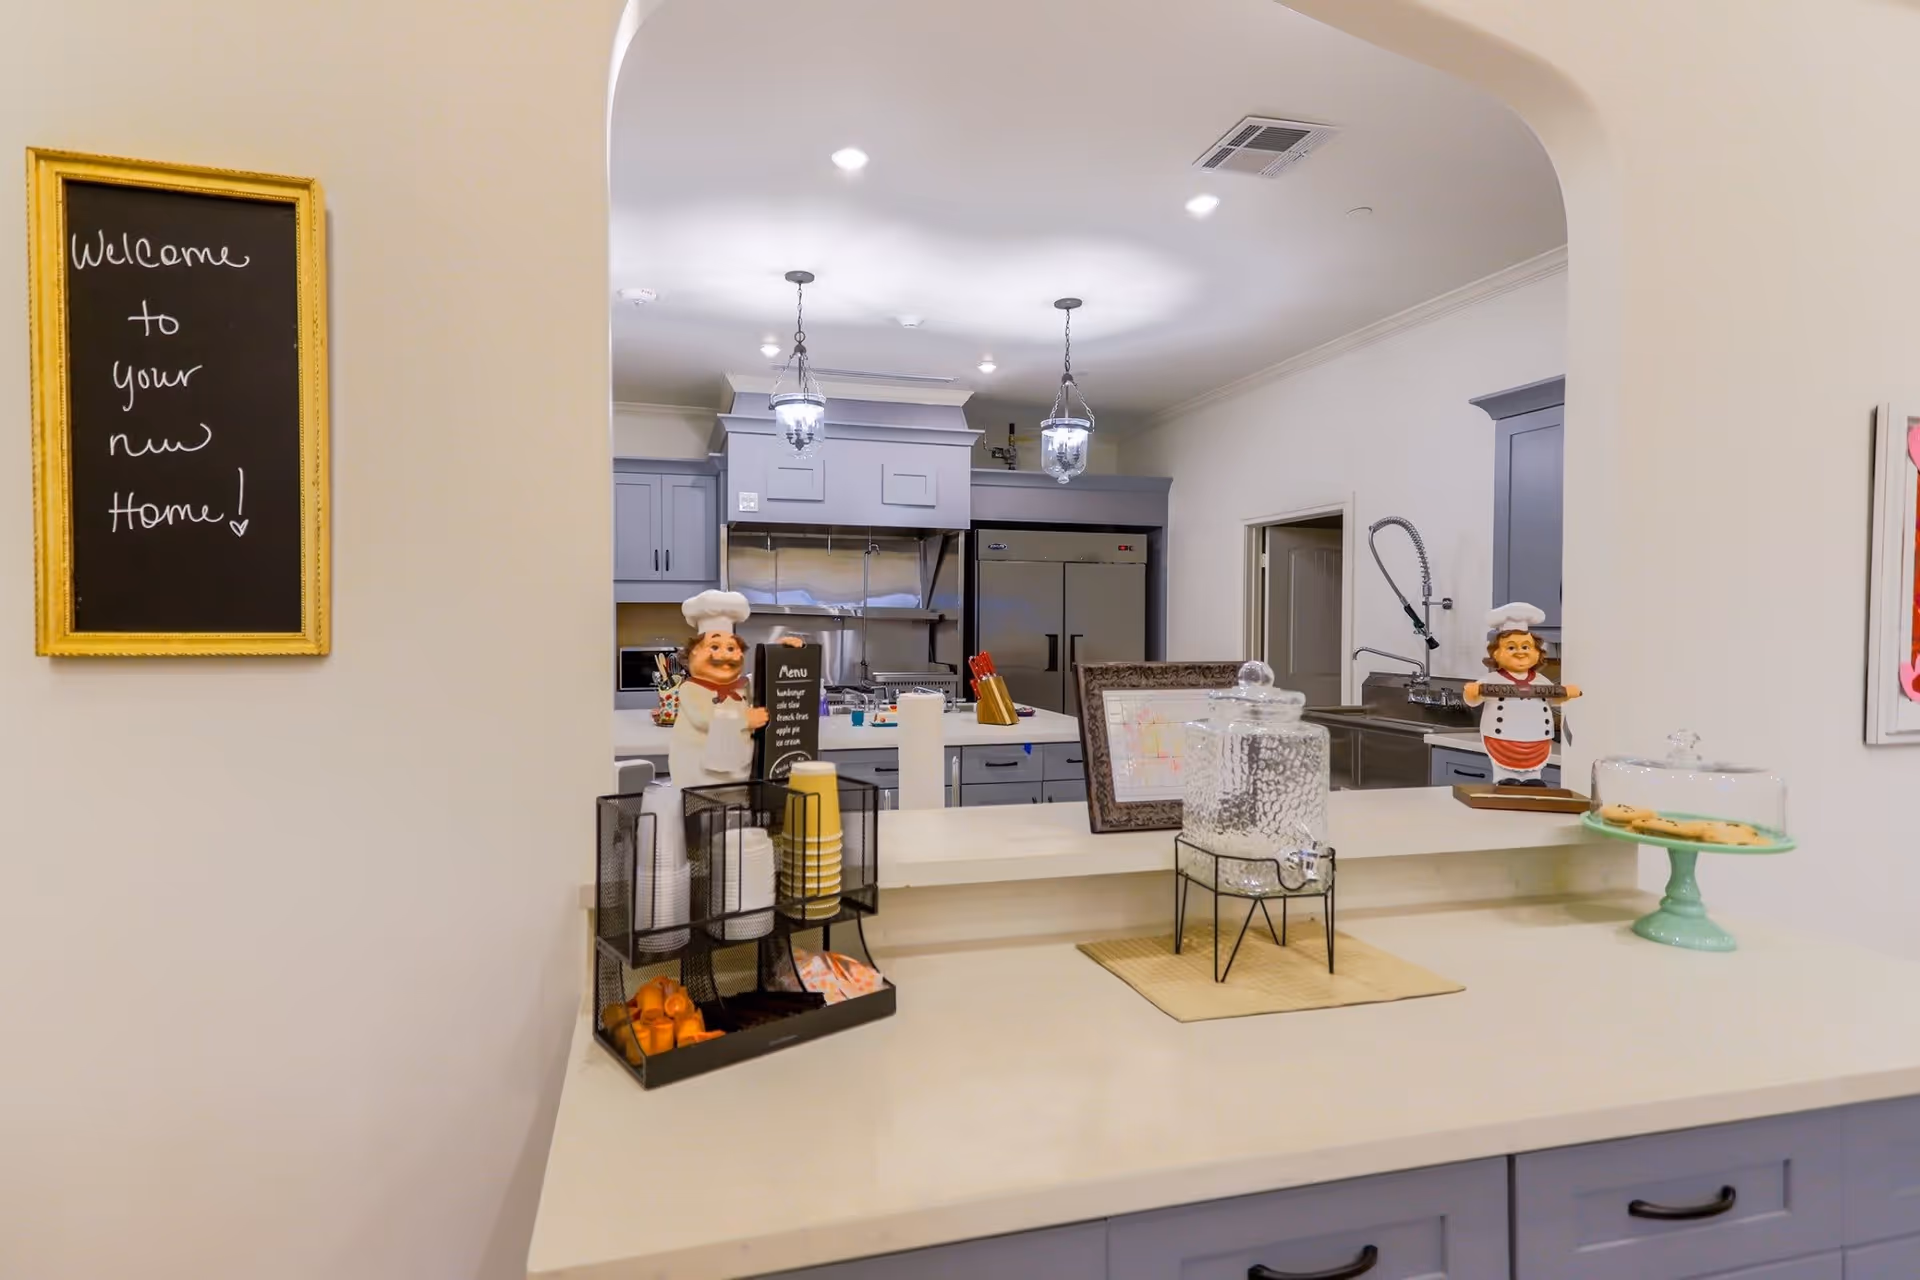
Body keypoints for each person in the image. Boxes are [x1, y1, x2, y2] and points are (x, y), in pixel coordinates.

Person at [666, 590, 804, 789]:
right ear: (692, 652)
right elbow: (704, 718)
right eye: (714, 646)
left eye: (731, 648)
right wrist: (745, 719)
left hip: (740, 776)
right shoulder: (691, 689)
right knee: (706, 817)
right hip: (698, 779)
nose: (724, 655)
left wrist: (782, 653)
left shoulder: (742, 686)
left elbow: (766, 678)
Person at [1462, 603, 1581, 787]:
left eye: (1526, 647)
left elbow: (1554, 701)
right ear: (1496, 653)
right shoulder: (1492, 679)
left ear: (1537, 652)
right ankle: (1504, 778)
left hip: (1537, 739)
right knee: (1506, 779)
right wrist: (1472, 693)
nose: (1520, 652)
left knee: (1534, 779)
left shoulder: (1540, 680)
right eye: (1511, 648)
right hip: (1501, 739)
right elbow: (1473, 702)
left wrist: (1566, 694)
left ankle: (1532, 779)